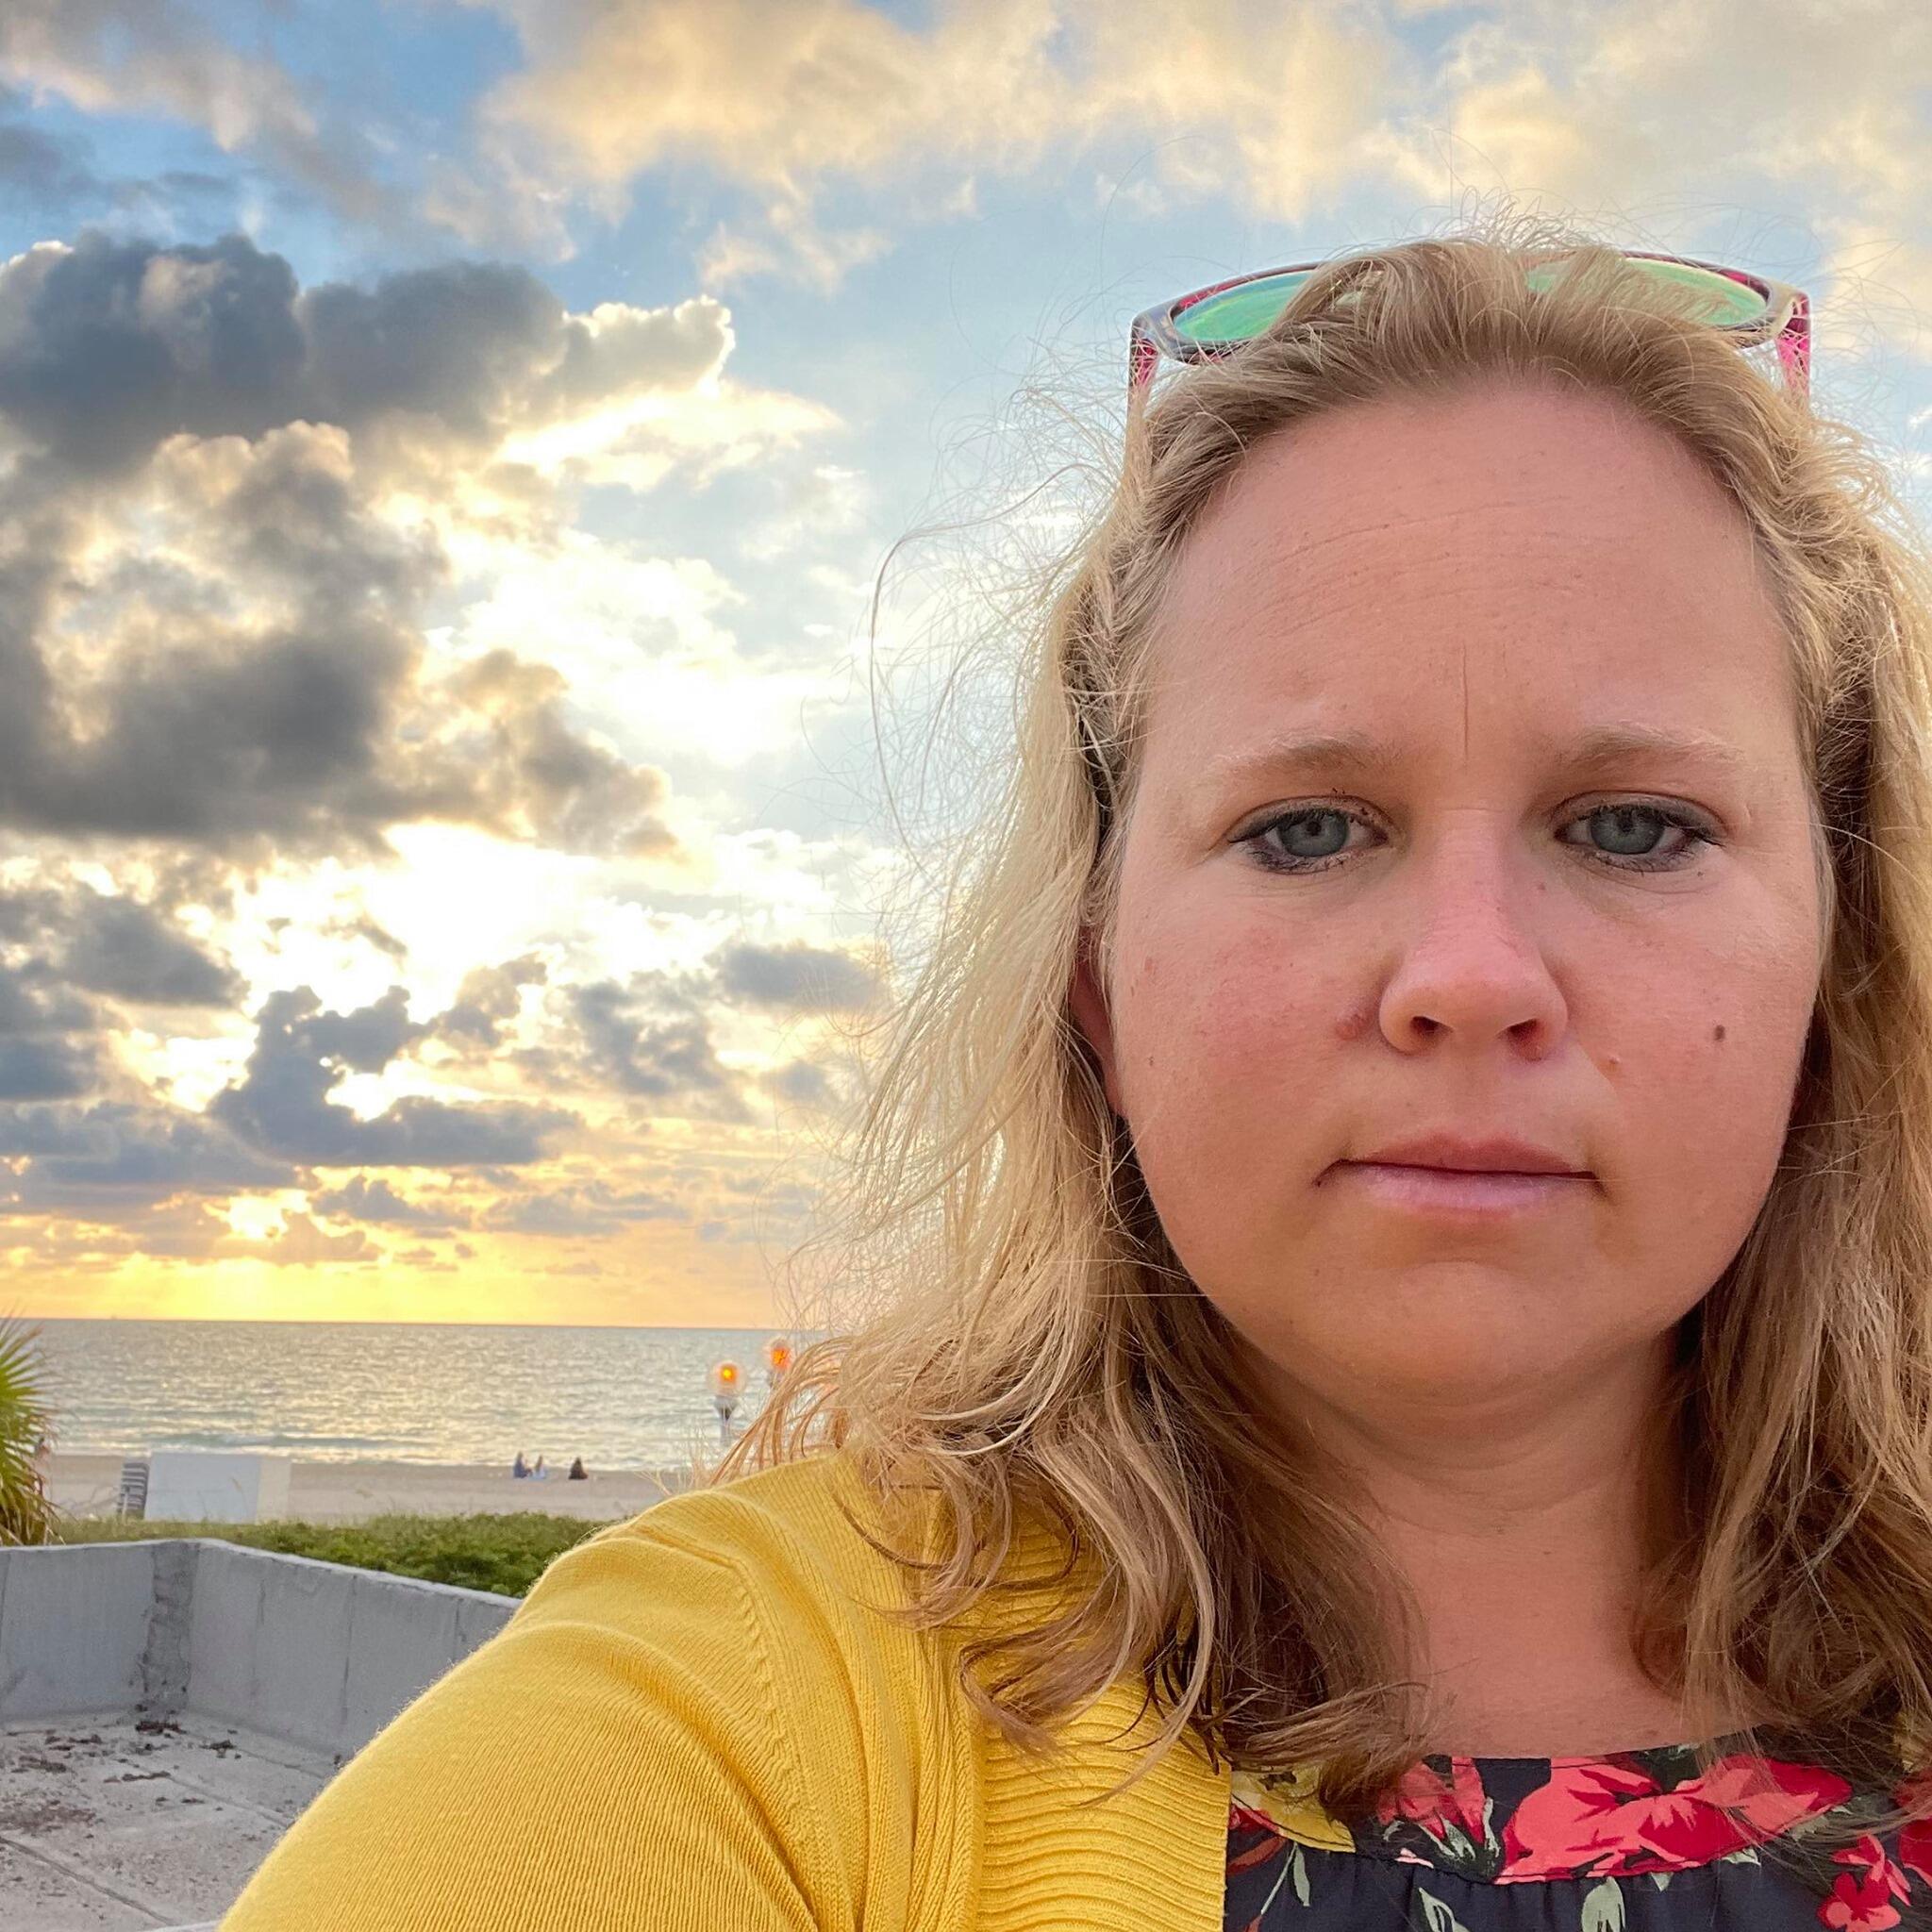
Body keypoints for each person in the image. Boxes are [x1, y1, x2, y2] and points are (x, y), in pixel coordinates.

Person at [223, 218, 1932, 1930]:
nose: (1470, 977)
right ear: (1098, 982)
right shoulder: (730, 1720)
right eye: (1306, 829)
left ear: (1842, 952)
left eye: (1634, 826)